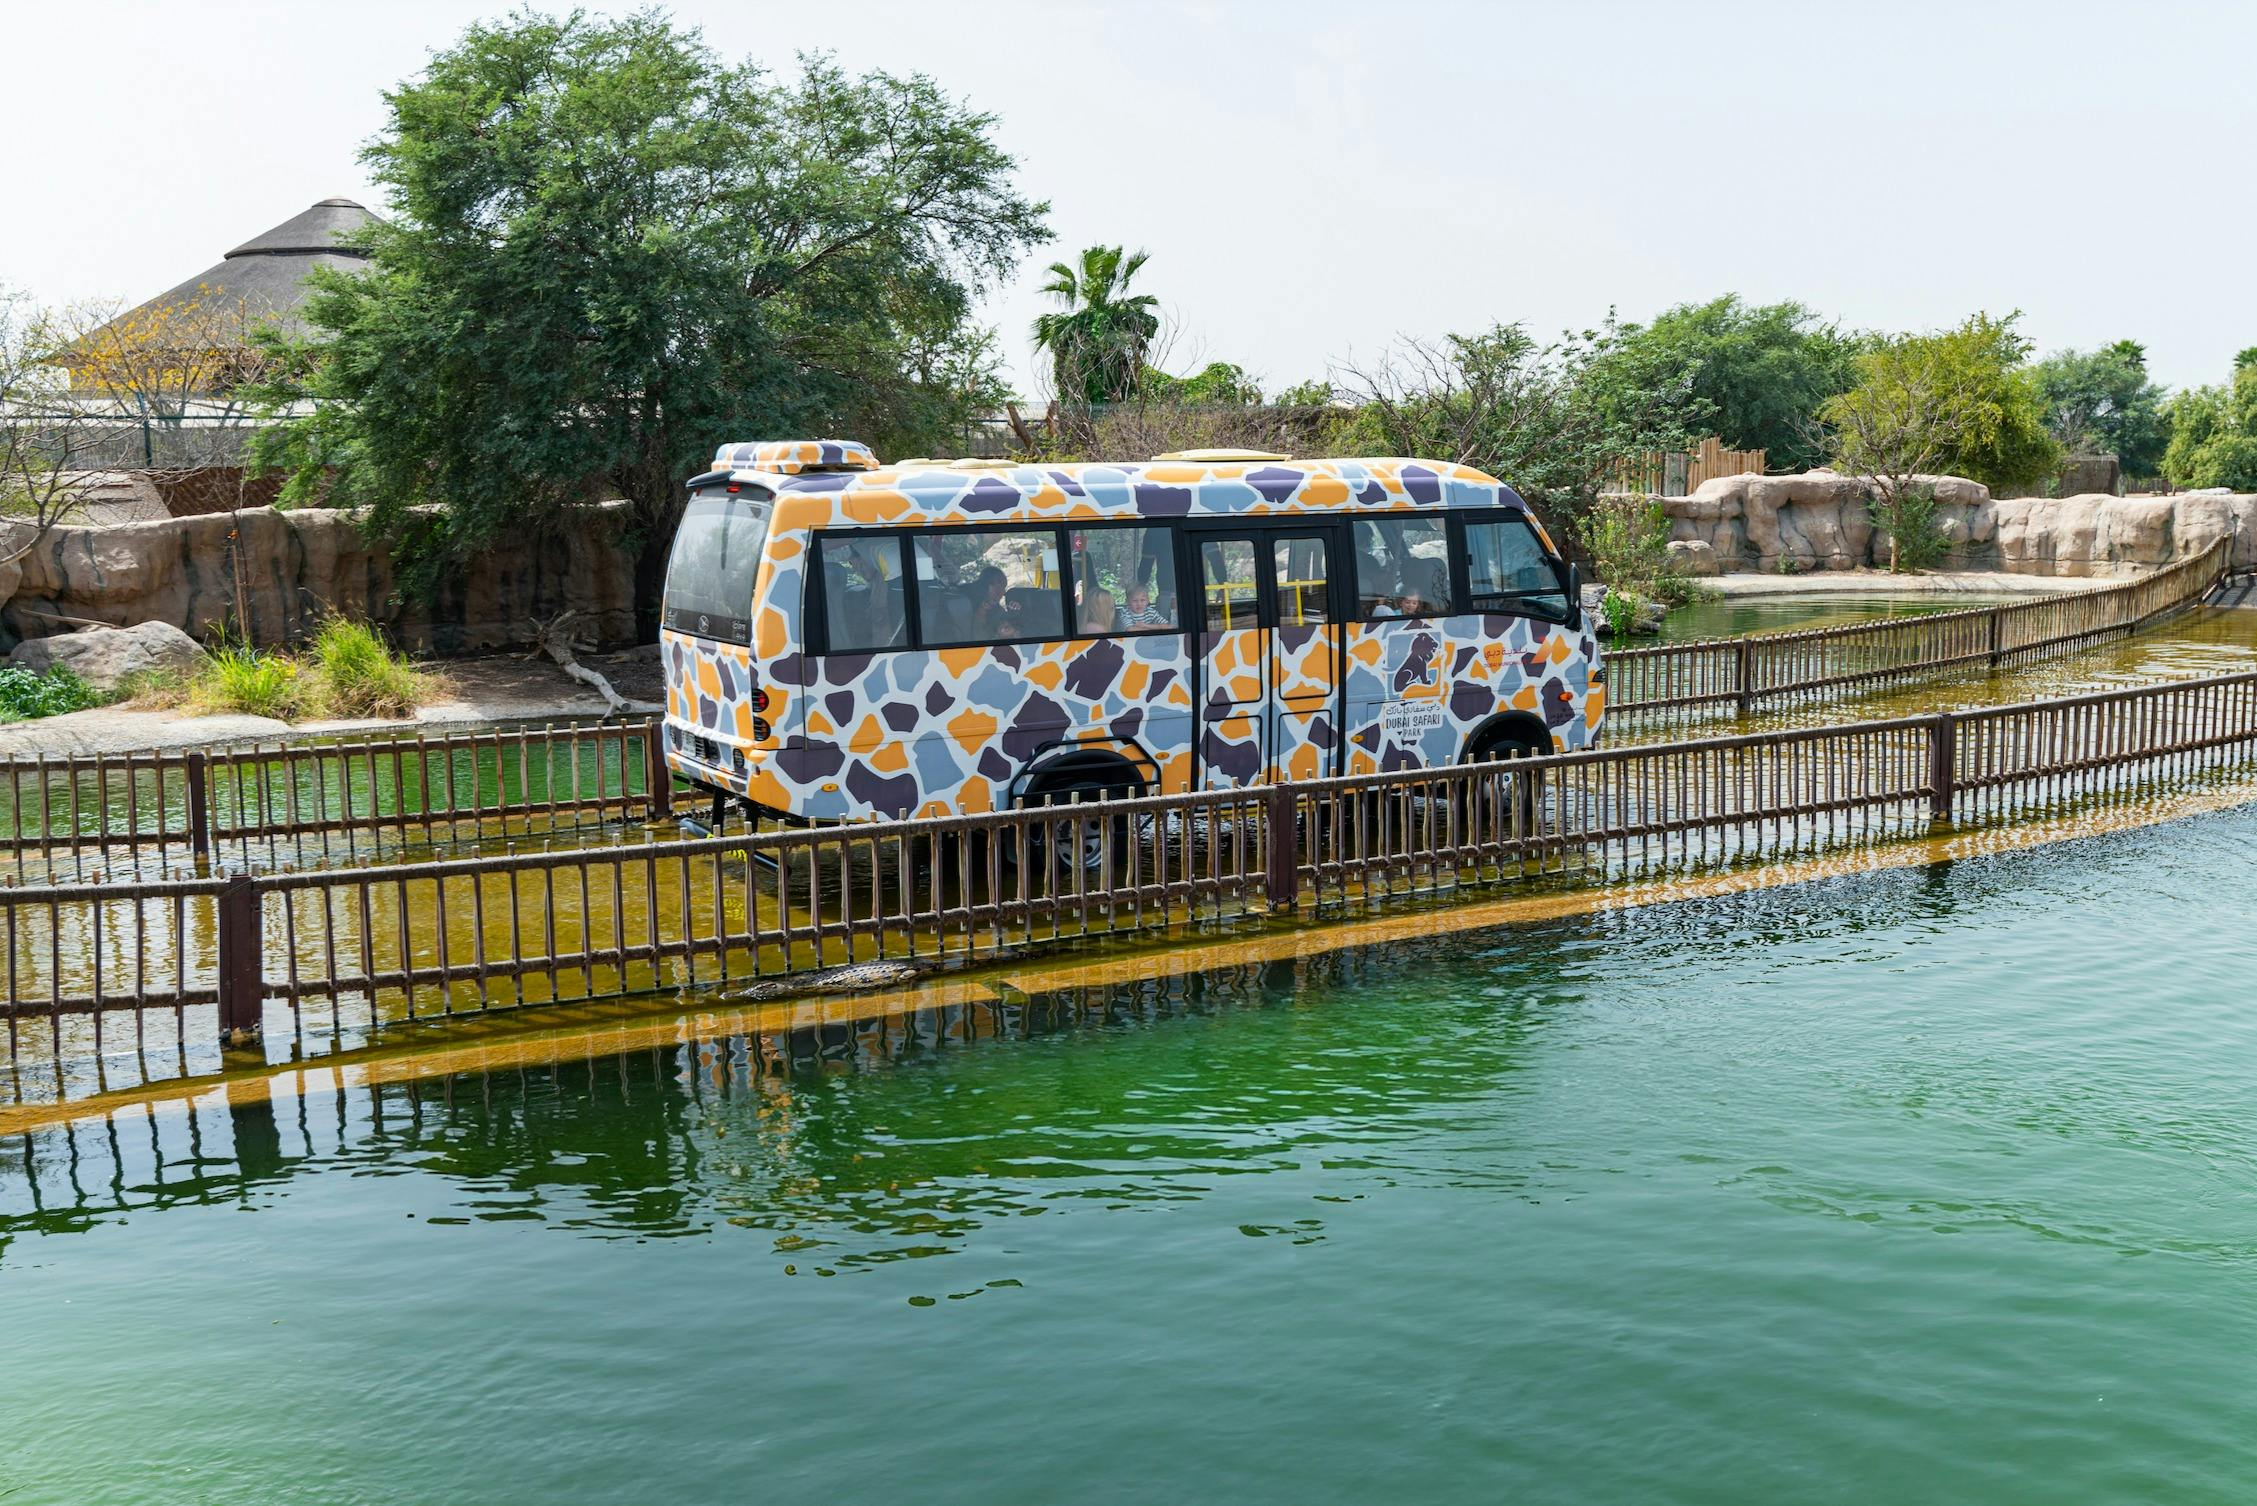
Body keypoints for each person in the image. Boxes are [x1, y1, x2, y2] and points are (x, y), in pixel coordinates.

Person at [971, 565, 1016, 639]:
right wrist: (981, 613)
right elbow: (979, 639)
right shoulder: (969, 607)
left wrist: (1013, 613)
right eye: (1000, 586)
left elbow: (1008, 628)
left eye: (1004, 587)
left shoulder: (997, 609)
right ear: (985, 586)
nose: (1003, 592)